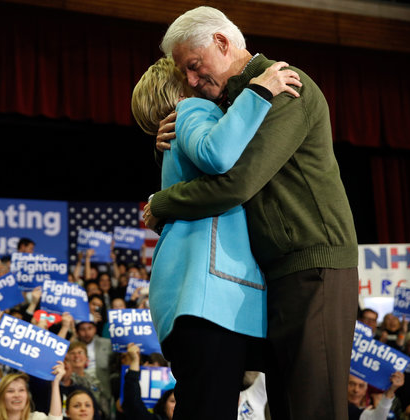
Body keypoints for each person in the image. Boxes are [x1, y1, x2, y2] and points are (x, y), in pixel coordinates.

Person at [142, 6, 359, 420]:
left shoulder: (282, 85)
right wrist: (167, 150)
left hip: (313, 269)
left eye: (193, 66)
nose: (189, 81)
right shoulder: (233, 104)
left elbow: (235, 184)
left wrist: (162, 203)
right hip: (276, 274)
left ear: (222, 43)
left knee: (313, 408)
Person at [132, 48, 298, 418]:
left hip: (186, 299)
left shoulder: (176, 135)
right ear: (178, 90)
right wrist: (259, 92)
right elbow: (217, 154)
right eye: (189, 73)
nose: (199, 79)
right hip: (207, 299)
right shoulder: (193, 110)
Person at [0, 362, 65, 420]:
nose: (17, 395)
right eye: (10, 391)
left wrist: (55, 382)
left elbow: (55, 418)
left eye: (21, 390)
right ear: (1, 396)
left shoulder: (36, 418)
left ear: (27, 395)